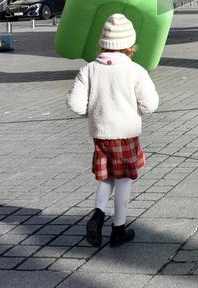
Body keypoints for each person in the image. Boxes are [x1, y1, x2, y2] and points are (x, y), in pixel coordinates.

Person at [67, 14, 159, 248]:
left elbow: (75, 104)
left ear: (103, 42)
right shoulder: (136, 71)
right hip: (125, 133)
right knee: (124, 179)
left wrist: (94, 111)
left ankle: (98, 215)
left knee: (107, 176)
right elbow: (150, 104)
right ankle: (118, 229)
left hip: (100, 134)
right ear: (130, 45)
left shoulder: (88, 70)